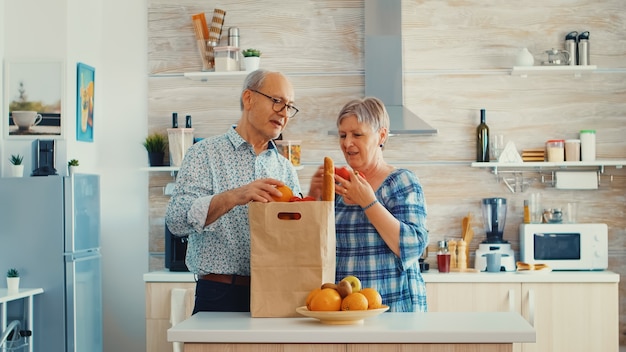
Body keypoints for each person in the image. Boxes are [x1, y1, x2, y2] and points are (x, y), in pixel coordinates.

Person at [165, 69, 302, 313]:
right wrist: (235, 196)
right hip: (219, 295)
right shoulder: (204, 154)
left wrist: (312, 205)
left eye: (289, 106)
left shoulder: (286, 169)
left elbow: (297, 238)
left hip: (276, 294)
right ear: (248, 99)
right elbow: (176, 221)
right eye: (277, 101)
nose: (284, 113)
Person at [309, 97, 429, 312]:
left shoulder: (401, 182)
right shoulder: (338, 187)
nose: (347, 143)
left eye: (357, 134)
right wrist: (314, 197)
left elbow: (413, 246)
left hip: (395, 311)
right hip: (347, 313)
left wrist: (368, 202)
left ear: (381, 135)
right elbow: (316, 252)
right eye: (343, 135)